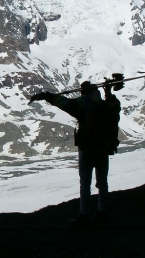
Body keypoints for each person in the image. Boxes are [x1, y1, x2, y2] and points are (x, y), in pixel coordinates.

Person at [29, 81, 121, 227]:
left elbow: (62, 102)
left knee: (85, 182)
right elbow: (116, 105)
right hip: (104, 148)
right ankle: (101, 213)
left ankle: (84, 215)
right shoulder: (107, 105)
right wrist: (108, 92)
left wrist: (44, 95)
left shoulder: (82, 103)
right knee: (102, 181)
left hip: (87, 149)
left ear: (83, 92)